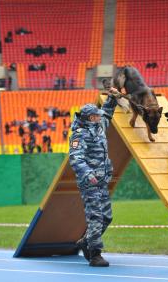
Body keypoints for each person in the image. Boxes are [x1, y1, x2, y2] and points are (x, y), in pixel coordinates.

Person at [69, 88, 120, 267]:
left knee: (106, 217)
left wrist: (113, 97)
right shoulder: (79, 134)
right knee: (96, 216)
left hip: (102, 180)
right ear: (90, 118)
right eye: (96, 116)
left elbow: (107, 112)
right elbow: (75, 158)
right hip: (89, 183)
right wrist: (88, 174)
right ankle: (95, 254)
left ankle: (85, 242)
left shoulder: (98, 126)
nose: (100, 117)